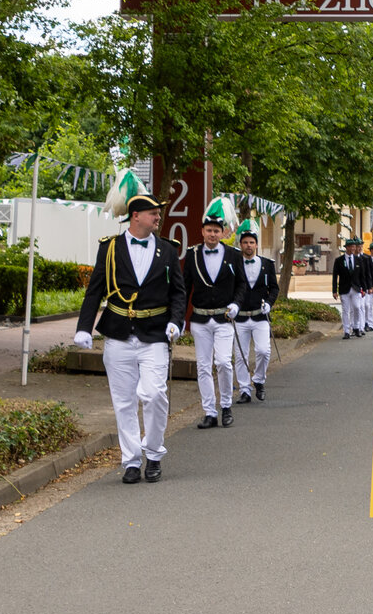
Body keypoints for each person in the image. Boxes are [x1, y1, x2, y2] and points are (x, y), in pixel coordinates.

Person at [73, 178, 189, 483]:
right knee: (124, 402)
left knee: (154, 394)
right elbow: (95, 291)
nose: (158, 217)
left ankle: (154, 452)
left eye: (158, 213)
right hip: (119, 333)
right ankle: (132, 461)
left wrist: (176, 321)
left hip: (155, 334)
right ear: (136, 215)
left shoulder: (168, 250)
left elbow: (178, 293)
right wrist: (84, 328)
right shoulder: (109, 247)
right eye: (153, 213)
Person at [182, 197, 249, 428]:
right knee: (203, 366)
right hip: (200, 318)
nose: (212, 234)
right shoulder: (192, 254)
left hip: (224, 317)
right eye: (209, 230)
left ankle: (226, 406)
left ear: (223, 232)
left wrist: (236, 305)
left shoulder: (233, 255)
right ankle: (209, 412)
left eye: (216, 231)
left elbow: (242, 284)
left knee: (223, 362)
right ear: (202, 231)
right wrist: (179, 318)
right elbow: (184, 288)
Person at [232, 223, 278, 402]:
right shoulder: (234, 265)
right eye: (245, 242)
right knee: (240, 355)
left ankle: (259, 380)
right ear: (241, 245)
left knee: (263, 351)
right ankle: (244, 389)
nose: (248, 245)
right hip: (241, 317)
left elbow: (274, 288)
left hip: (260, 316)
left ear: (256, 244)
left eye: (251, 242)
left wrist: (269, 303)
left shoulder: (267, 264)